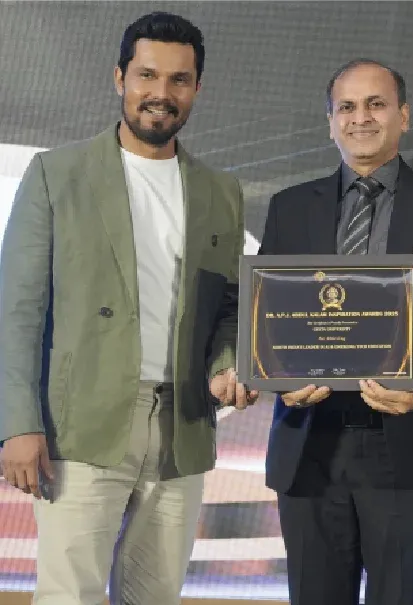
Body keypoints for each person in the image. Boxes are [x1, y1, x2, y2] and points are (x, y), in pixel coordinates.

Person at [0, 11, 255, 605]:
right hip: (78, 427)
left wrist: (227, 363)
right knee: (70, 596)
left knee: (156, 597)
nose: (161, 93)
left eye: (178, 79)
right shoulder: (55, 174)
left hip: (184, 426)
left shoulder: (222, 191)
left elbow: (229, 305)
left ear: (197, 88)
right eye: (147, 75)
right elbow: (17, 310)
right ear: (120, 78)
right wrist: (17, 424)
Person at [258, 58, 413, 605]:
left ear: (403, 116)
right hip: (311, 444)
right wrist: (279, 379)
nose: (361, 118)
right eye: (347, 107)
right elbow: (265, 321)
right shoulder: (289, 208)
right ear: (330, 122)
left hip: (410, 443)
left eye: (376, 104)